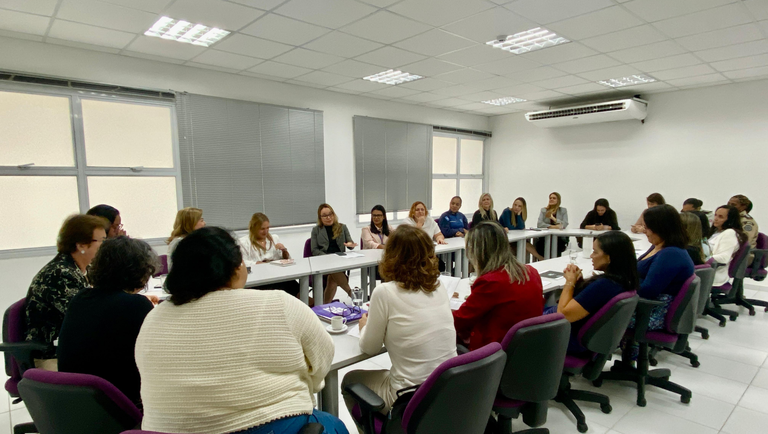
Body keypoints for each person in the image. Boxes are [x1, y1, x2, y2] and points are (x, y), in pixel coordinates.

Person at [136, 227, 345, 434]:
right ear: (235, 267)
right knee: (334, 425)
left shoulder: (153, 317)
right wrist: (305, 387)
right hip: (269, 424)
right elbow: (323, 357)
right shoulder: (279, 303)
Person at [341, 225, 456, 414]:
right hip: (447, 389)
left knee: (350, 381)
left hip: (410, 398)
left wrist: (364, 327)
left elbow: (369, 348)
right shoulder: (438, 286)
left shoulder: (384, 292)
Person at [57, 236, 158, 407]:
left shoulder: (81, 298)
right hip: (117, 402)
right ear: (140, 271)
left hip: (76, 400)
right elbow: (156, 356)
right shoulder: (136, 305)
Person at [24, 214, 108, 371]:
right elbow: (84, 317)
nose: (105, 245)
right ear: (81, 245)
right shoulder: (59, 273)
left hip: (71, 350)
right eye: (102, 241)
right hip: (51, 356)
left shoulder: (81, 269)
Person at [453, 222, 543, 351]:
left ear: (478, 251)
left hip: (493, 355)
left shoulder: (491, 282)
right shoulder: (531, 272)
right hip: (525, 351)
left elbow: (458, 322)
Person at [555, 231, 639, 353]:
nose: (591, 256)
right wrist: (579, 282)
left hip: (569, 338)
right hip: (588, 336)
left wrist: (570, 282)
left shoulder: (604, 285)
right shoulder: (624, 280)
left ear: (609, 257)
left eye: (595, 252)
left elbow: (563, 314)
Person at [635, 204, 694, 330]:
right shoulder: (659, 246)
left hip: (651, 313)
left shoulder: (670, 254)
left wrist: (623, 281)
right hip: (644, 306)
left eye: (646, 227)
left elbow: (647, 291)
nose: (644, 231)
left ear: (659, 228)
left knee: (594, 310)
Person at [239, 213, 299, 297]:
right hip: (258, 279)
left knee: (291, 283)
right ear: (254, 228)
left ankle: (309, 304)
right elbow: (242, 262)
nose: (266, 231)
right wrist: (257, 264)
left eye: (268, 228)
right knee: (281, 287)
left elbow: (283, 259)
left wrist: (284, 251)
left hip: (274, 275)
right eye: (262, 229)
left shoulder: (274, 238)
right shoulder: (244, 242)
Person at [311, 203, 357, 304]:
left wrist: (350, 244)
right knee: (333, 271)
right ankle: (352, 294)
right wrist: (328, 257)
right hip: (324, 261)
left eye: (330, 214)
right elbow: (314, 250)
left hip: (340, 261)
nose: (328, 217)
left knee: (332, 278)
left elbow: (350, 243)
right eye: (325, 216)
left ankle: (324, 306)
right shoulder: (316, 230)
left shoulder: (342, 227)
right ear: (320, 217)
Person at [709, 205, 749, 286]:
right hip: (708, 269)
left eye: (720, 217)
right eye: (715, 215)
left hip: (715, 274)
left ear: (730, 219)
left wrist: (701, 258)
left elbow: (724, 258)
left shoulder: (729, 233)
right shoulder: (716, 231)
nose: (715, 219)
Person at [499, 197, 544, 261]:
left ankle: (530, 262)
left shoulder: (519, 214)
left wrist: (518, 215)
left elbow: (521, 227)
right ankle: (540, 258)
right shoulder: (507, 212)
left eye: (519, 206)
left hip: (516, 238)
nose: (516, 207)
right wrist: (516, 225)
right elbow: (509, 227)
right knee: (525, 245)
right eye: (515, 205)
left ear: (522, 208)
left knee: (525, 244)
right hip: (506, 240)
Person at [537, 192, 569, 257]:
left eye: (554, 198)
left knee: (557, 245)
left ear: (558, 200)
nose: (551, 199)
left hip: (559, 238)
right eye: (550, 198)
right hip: (545, 237)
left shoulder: (563, 210)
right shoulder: (544, 210)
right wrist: (553, 227)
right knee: (542, 244)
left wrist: (553, 218)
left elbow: (564, 224)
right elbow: (539, 224)